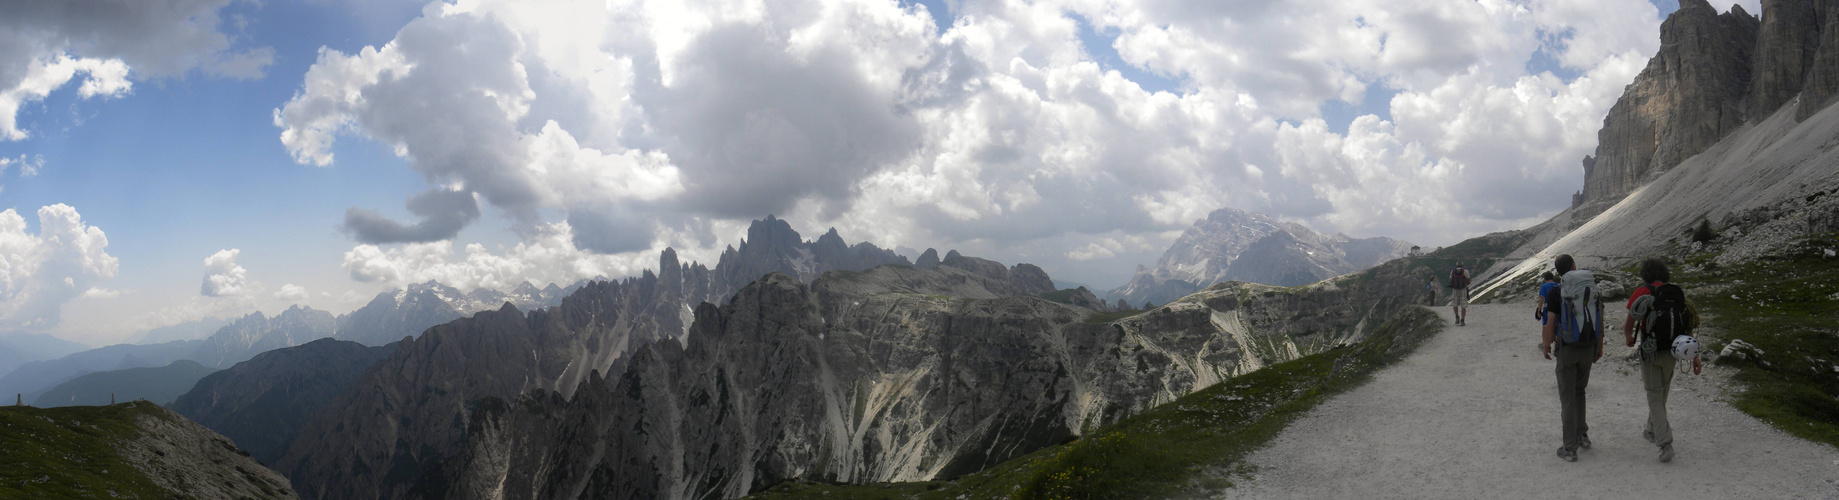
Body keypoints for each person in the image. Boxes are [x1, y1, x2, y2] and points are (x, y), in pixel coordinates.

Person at [1622, 258, 1701, 463]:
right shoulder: (1676, 294)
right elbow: (1688, 328)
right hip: (1673, 352)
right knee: (1662, 393)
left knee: (1654, 395)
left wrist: (1629, 338)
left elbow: (1630, 322)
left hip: (1650, 352)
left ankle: (1665, 443)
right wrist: (1696, 358)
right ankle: (1651, 429)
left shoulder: (1641, 292)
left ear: (1645, 274)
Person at [1542, 254, 1601, 462]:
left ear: (1558, 271)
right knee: (1580, 391)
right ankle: (1582, 434)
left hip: (1567, 349)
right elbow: (1598, 316)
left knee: (1567, 398)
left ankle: (1569, 447)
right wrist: (1598, 347)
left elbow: (1549, 322)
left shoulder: (1556, 292)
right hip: (1588, 346)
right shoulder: (1589, 288)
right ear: (1574, 266)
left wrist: (1547, 345)